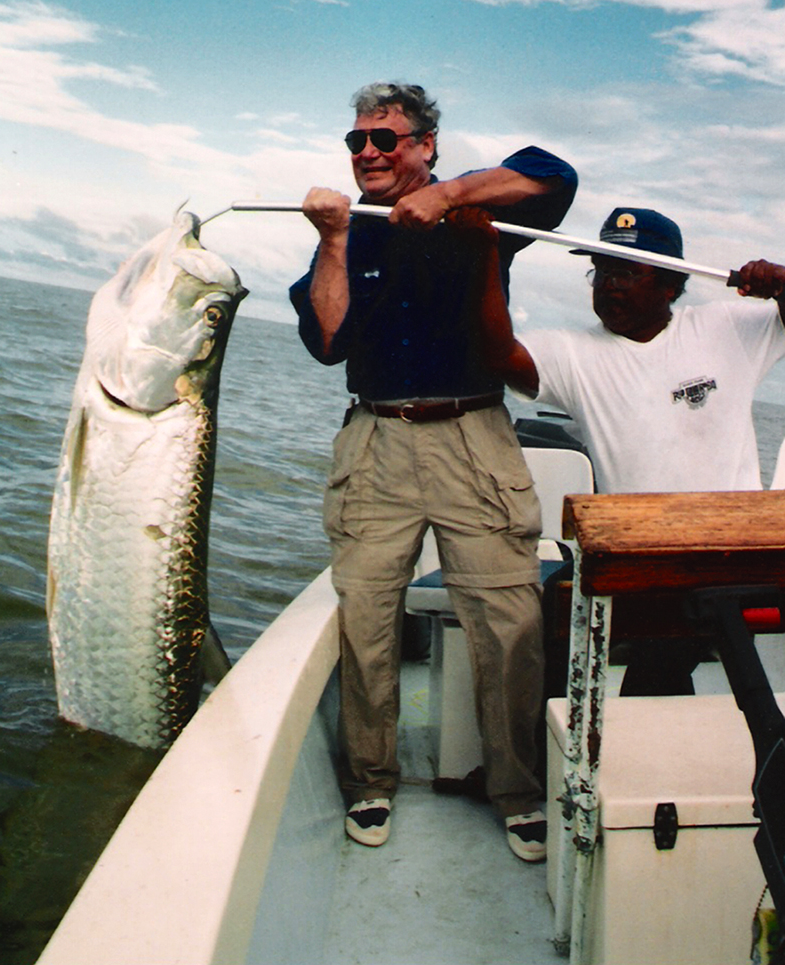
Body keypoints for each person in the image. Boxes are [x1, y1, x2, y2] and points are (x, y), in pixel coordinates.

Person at [289, 81, 577, 861]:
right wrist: (333, 241)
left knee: (509, 621)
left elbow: (555, 178)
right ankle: (371, 780)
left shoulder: (482, 212)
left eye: (388, 139)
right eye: (358, 142)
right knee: (367, 616)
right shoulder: (353, 230)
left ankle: (517, 790)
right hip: (376, 440)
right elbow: (327, 340)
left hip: (473, 435)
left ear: (426, 145)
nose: (370, 153)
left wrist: (449, 196)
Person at [465, 204, 785, 693]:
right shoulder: (572, 353)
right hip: (636, 560)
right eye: (602, 270)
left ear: (671, 286)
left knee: (663, 654)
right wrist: (483, 254)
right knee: (545, 614)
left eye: (627, 272)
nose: (609, 284)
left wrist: (779, 283)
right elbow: (499, 354)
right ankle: (546, 756)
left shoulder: (727, 329)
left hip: (727, 556)